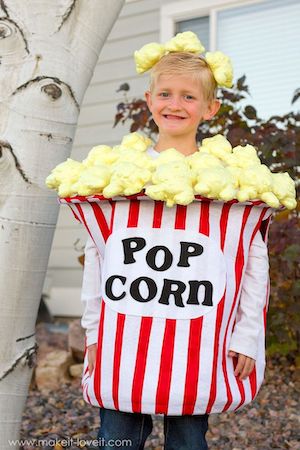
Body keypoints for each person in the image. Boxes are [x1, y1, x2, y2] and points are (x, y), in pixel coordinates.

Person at [80, 32, 270, 449]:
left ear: (210, 107)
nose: (175, 104)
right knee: (116, 437)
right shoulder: (123, 177)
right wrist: (93, 331)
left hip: (198, 347)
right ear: (149, 100)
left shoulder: (227, 182)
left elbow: (251, 258)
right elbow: (99, 254)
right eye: (165, 93)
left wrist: (247, 335)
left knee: (187, 438)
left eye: (188, 96)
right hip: (124, 339)